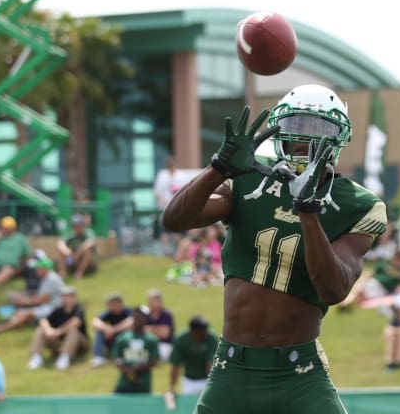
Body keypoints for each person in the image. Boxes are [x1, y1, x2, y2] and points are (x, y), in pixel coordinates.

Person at [162, 84, 387, 413]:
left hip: (299, 375)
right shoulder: (251, 176)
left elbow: (333, 289)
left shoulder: (358, 204)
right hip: (232, 370)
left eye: (319, 129)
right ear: (279, 130)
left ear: (338, 139)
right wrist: (218, 168)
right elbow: (175, 219)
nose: (305, 140)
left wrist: (308, 213)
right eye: (296, 127)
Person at [0, 257, 64, 334]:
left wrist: (24, 301)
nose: (36, 270)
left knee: (24, 313)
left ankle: (2, 328)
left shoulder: (52, 279)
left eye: (37, 268)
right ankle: (3, 322)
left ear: (43, 269)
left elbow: (43, 300)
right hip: (46, 306)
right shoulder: (46, 278)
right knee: (18, 308)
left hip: (53, 309)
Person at [28, 286, 89, 371]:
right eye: (64, 296)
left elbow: (75, 322)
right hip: (60, 343)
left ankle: (65, 357)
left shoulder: (79, 309)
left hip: (79, 344)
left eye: (69, 296)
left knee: (73, 330)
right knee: (41, 330)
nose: (67, 299)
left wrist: (58, 331)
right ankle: (36, 357)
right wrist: (48, 330)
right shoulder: (58, 310)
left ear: (74, 297)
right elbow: (44, 321)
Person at [167, 316, 218, 407]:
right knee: (189, 407)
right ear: (194, 331)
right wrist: (172, 386)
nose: (205, 333)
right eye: (202, 331)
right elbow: (176, 365)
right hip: (189, 380)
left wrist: (211, 384)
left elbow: (211, 364)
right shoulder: (181, 340)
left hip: (206, 379)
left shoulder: (212, 339)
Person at [112, 306, 160, 394]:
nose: (138, 317)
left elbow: (154, 360)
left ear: (146, 318)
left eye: (142, 315)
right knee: (116, 406)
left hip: (143, 383)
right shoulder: (123, 337)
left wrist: (136, 369)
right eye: (136, 314)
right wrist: (127, 370)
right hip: (124, 383)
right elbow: (117, 357)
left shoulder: (151, 339)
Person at [0, 216, 32, 286]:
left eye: (7, 228)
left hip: (9, 267)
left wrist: (20, 268)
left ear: (13, 228)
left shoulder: (20, 238)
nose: (4, 229)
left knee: (7, 270)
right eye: (3, 227)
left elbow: (28, 255)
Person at [91, 292, 134, 367]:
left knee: (129, 332)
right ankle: (98, 357)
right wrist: (106, 328)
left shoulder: (128, 311)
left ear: (118, 304)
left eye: (110, 304)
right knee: (100, 332)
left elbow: (131, 322)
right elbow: (95, 321)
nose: (108, 306)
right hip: (113, 339)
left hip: (126, 340)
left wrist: (114, 329)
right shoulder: (109, 313)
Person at [56, 213, 98, 279]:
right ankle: (63, 273)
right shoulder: (71, 234)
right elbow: (60, 244)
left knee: (88, 251)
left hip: (89, 263)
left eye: (79, 225)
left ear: (83, 225)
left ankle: (79, 273)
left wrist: (78, 253)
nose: (77, 227)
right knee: (61, 252)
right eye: (75, 225)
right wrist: (69, 253)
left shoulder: (89, 232)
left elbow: (89, 243)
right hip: (74, 259)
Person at [145, 289, 175, 361]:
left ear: (159, 301)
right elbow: (142, 331)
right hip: (149, 344)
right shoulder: (146, 314)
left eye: (153, 301)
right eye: (150, 301)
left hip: (164, 344)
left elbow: (165, 334)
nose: (150, 303)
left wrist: (149, 329)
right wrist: (158, 330)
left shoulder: (166, 314)